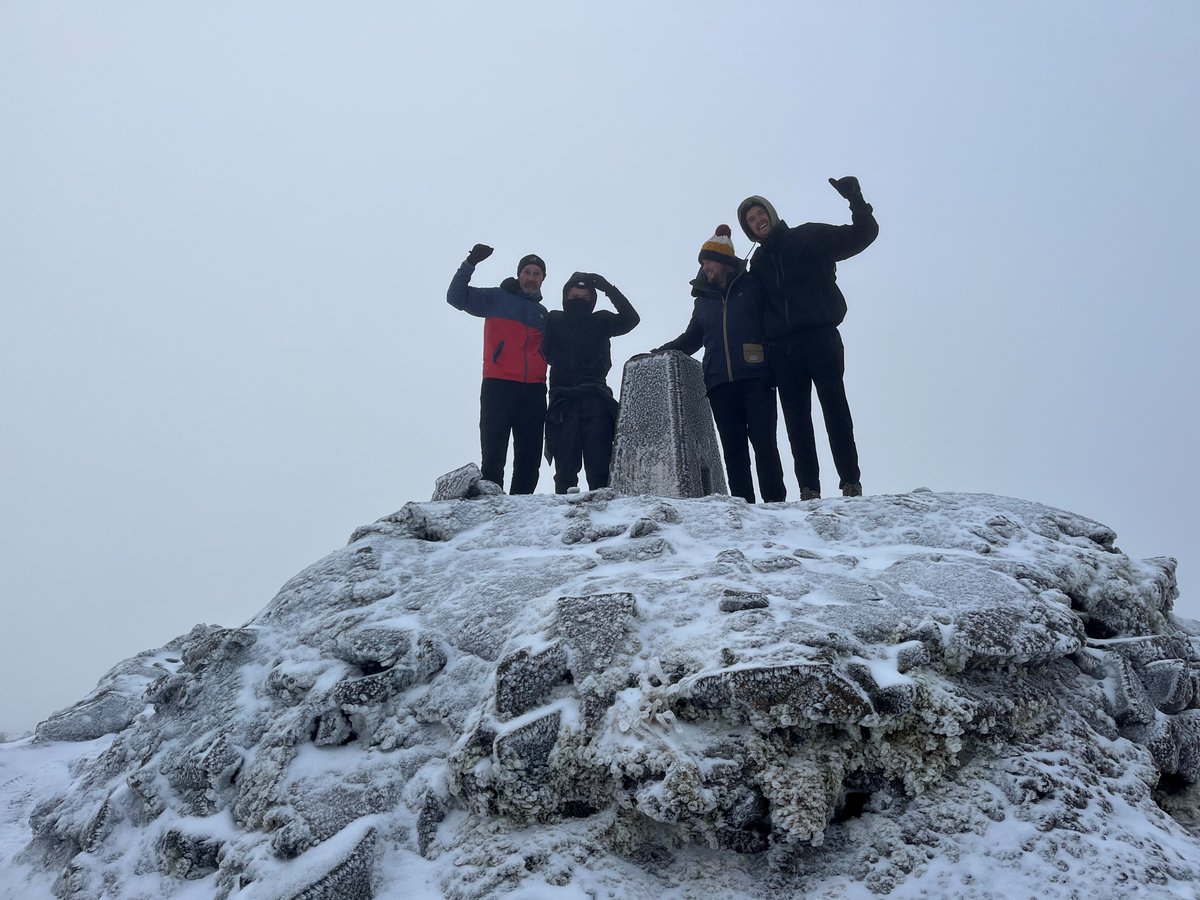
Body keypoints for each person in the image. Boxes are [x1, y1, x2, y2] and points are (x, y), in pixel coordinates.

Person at [737, 177, 878, 500]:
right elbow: (753, 308)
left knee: (835, 409)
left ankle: (850, 482)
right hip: (783, 349)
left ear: (771, 214)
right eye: (751, 221)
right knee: (796, 420)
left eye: (760, 214)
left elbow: (863, 235)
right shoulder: (756, 264)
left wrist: (856, 200)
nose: (757, 222)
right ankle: (809, 488)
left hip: (821, 337)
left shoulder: (809, 236)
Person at [652, 225, 786, 504]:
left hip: (756, 377)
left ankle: (775, 504)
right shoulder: (702, 301)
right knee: (733, 450)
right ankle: (743, 506)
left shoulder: (752, 286)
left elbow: (772, 322)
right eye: (702, 262)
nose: (704, 267)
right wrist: (659, 351)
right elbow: (692, 338)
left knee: (764, 444)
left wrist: (773, 359)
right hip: (719, 383)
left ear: (724, 262)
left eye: (708, 261)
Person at [447, 244, 549, 494]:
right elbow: (455, 297)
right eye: (527, 272)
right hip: (498, 384)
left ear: (543, 279)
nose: (531, 277)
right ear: (519, 275)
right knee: (494, 454)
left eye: (537, 273)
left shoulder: (544, 315)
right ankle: (491, 508)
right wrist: (470, 262)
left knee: (529, 458)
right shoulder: (497, 298)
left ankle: (521, 511)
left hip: (534, 389)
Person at [542, 272, 640, 493]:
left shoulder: (602, 320)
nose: (579, 300)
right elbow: (541, 349)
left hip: (596, 402)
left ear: (593, 301)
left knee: (600, 473)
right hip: (562, 405)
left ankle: (606, 521)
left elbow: (631, 319)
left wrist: (608, 288)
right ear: (565, 296)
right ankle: (565, 522)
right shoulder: (554, 320)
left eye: (585, 298)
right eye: (574, 296)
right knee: (565, 474)